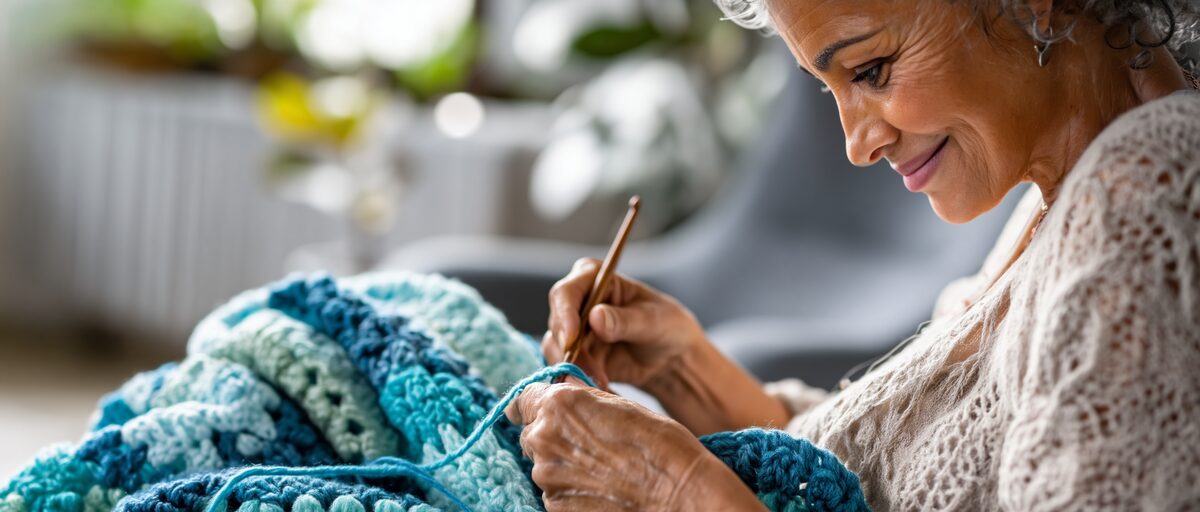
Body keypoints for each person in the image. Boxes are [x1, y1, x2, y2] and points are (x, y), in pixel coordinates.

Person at [502, 0, 1200, 509]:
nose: (857, 144)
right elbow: (894, 480)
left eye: (871, 69)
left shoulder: (1146, 201)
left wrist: (678, 492)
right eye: (829, 87)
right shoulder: (1068, 193)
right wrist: (687, 374)